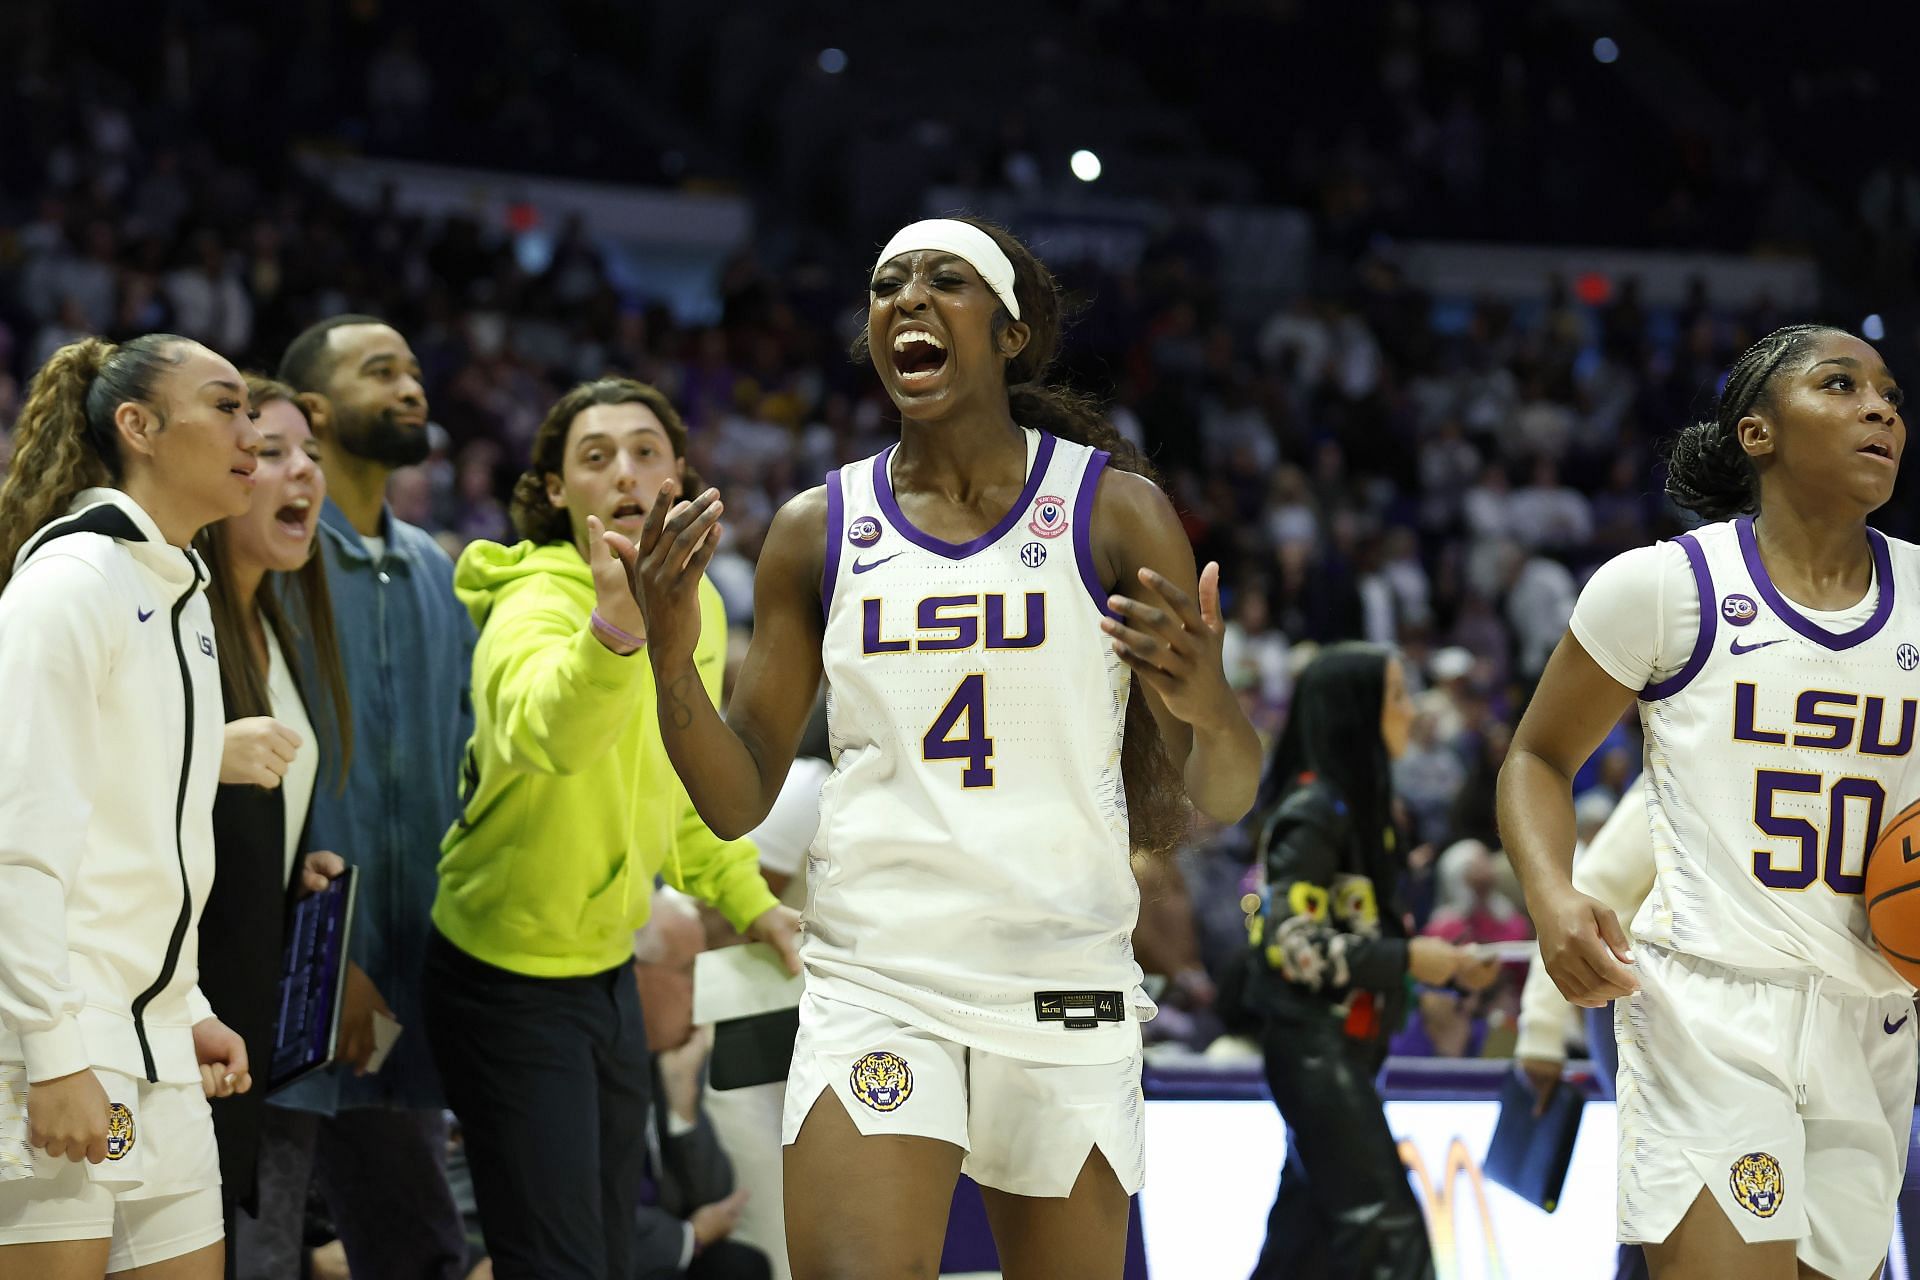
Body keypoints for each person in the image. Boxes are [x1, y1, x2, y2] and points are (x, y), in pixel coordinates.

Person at [608, 216, 1264, 1280]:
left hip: (1061, 972)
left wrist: (1208, 699)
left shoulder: (1113, 512)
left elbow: (1224, 788)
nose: (905, 298)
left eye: (944, 281)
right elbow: (734, 798)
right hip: (881, 972)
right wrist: (673, 661)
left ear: (1009, 333)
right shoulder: (814, 530)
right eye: (885, 284)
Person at [1499, 325, 1920, 1280]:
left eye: (1890, 393)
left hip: (1877, 1019)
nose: (1881, 408)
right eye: (1841, 385)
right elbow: (1536, 754)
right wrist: (1550, 893)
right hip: (1710, 1014)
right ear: (1758, 434)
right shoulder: (1663, 589)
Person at [421, 377, 795, 1280]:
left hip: (605, 973)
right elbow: (545, 735)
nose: (624, 472)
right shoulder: (532, 602)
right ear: (556, 490)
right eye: (594, 457)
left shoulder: (695, 611)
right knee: (554, 1262)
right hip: (503, 975)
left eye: (645, 451)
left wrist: (753, 905)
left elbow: (679, 789)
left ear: (678, 473)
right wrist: (613, 634)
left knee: (607, 1253)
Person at [0, 335, 261, 1278]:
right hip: (62, 1042)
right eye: (226, 406)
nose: (253, 430)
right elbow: (17, 844)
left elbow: (142, 837)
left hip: (154, 1046)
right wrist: (51, 1051)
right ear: (138, 427)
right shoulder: (70, 585)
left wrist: (181, 1000)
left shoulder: (177, 589)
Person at [235, 317, 474, 1280]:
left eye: (415, 369)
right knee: (258, 1246)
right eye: (383, 372)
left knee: (421, 1250)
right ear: (320, 410)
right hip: (295, 971)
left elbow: (460, 768)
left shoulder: (435, 568)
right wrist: (323, 957)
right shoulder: (267, 557)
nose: (412, 385)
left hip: (408, 973)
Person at [1239, 643, 1497, 1280]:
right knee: (1390, 1239)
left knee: (1299, 1249)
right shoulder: (1312, 813)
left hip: (1344, 1053)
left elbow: (1365, 937)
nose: (1411, 713)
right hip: (1315, 1052)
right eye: (1398, 697)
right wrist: (1409, 957)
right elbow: (1292, 946)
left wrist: (1444, 965)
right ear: (1357, 714)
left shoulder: (1367, 815)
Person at [192, 375, 353, 1276]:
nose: (301, 474)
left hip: (244, 1013)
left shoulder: (274, 622)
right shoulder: (178, 621)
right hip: (180, 1013)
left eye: (312, 456)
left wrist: (282, 865)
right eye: (271, 453)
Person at [1514, 780, 1652, 1280]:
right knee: (1665, 1186)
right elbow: (1585, 898)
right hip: (1643, 1012)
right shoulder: (1684, 764)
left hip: (1755, 1019)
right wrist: (1542, 1031)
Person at [632, 896, 772, 1280]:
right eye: (688, 972)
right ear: (636, 975)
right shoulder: (586, 1063)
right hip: (608, 1258)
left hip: (659, 1253)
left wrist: (682, 1103)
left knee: (740, 1265)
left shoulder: (666, 1059)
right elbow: (590, 1215)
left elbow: (714, 1197)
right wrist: (687, 1236)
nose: (699, 994)